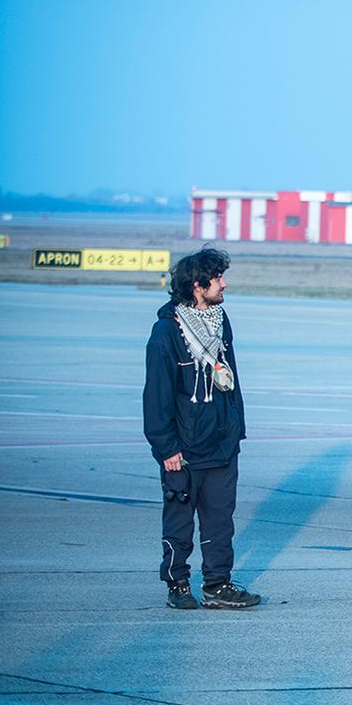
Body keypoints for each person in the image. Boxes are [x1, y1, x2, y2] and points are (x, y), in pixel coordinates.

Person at [144, 247, 260, 610]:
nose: (224, 284)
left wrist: (236, 428)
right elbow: (156, 395)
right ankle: (177, 584)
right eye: (218, 278)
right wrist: (166, 448)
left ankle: (217, 584)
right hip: (184, 448)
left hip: (222, 444)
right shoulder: (167, 332)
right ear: (198, 286)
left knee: (220, 520)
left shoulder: (221, 322)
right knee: (179, 519)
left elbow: (232, 379)